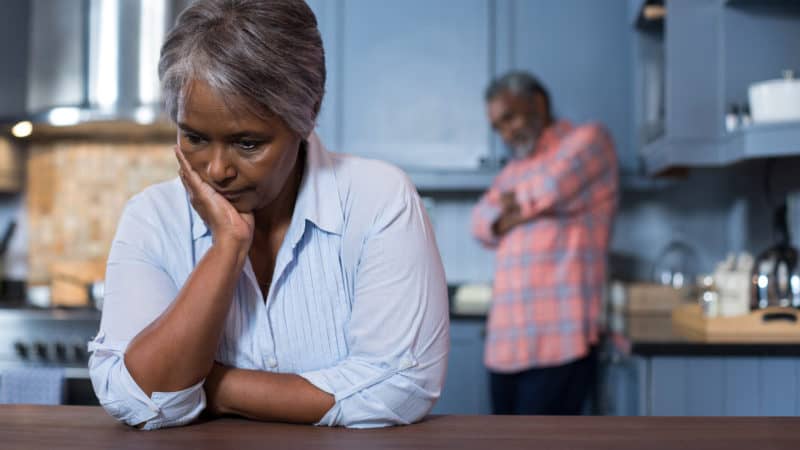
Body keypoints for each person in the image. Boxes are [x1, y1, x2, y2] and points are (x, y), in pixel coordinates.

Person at [88, 0, 449, 430]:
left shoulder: (378, 200)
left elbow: (400, 388)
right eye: (195, 137)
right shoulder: (152, 216)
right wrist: (227, 248)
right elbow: (130, 398)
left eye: (247, 143)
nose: (217, 170)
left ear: (308, 114)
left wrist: (202, 382)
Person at [471, 71, 618, 415]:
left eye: (510, 117)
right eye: (498, 127)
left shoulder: (590, 140)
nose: (506, 133)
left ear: (538, 102)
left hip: (559, 343)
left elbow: (553, 187)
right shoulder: (513, 169)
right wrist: (516, 210)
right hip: (505, 345)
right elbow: (479, 222)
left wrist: (512, 207)